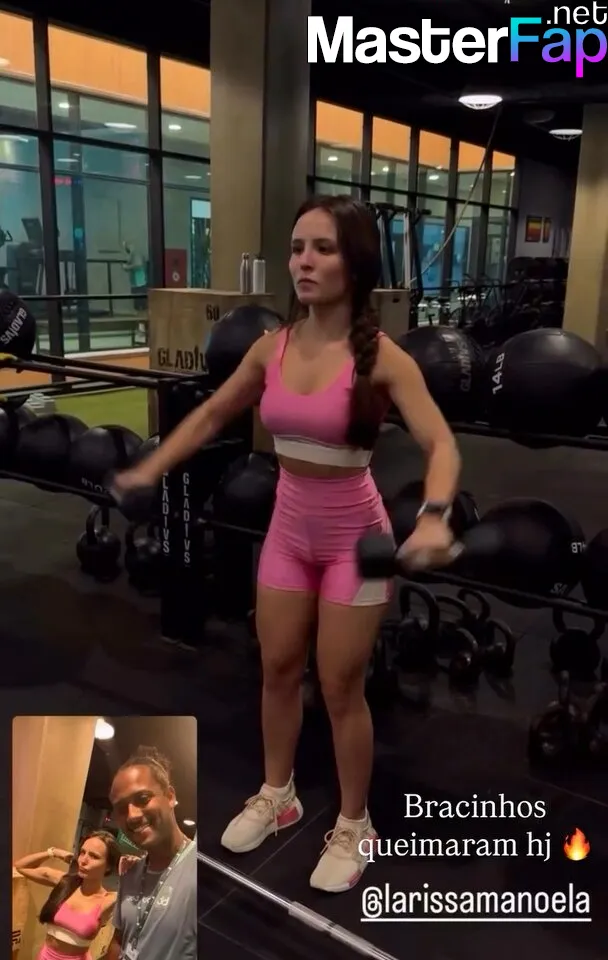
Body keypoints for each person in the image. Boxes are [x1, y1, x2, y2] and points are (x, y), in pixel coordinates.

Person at [112, 194, 461, 893]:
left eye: (322, 248)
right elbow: (212, 413)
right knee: (275, 668)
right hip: (289, 530)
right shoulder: (270, 347)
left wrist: (433, 515)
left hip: (354, 538)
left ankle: (356, 823)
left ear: (354, 263)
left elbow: (441, 443)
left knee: (339, 686)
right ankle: (280, 794)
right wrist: (151, 467)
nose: (303, 260)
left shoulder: (383, 358)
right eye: (298, 247)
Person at [104, 746, 196, 960]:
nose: (132, 816)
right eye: (121, 808)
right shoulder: (130, 873)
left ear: (170, 796)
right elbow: (119, 940)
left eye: (143, 798)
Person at [14, 831, 119, 959]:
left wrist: (132, 870)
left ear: (108, 866)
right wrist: (53, 852)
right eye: (82, 852)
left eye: (94, 856)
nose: (83, 860)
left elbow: (137, 900)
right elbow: (21, 866)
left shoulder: (108, 900)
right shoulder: (65, 882)